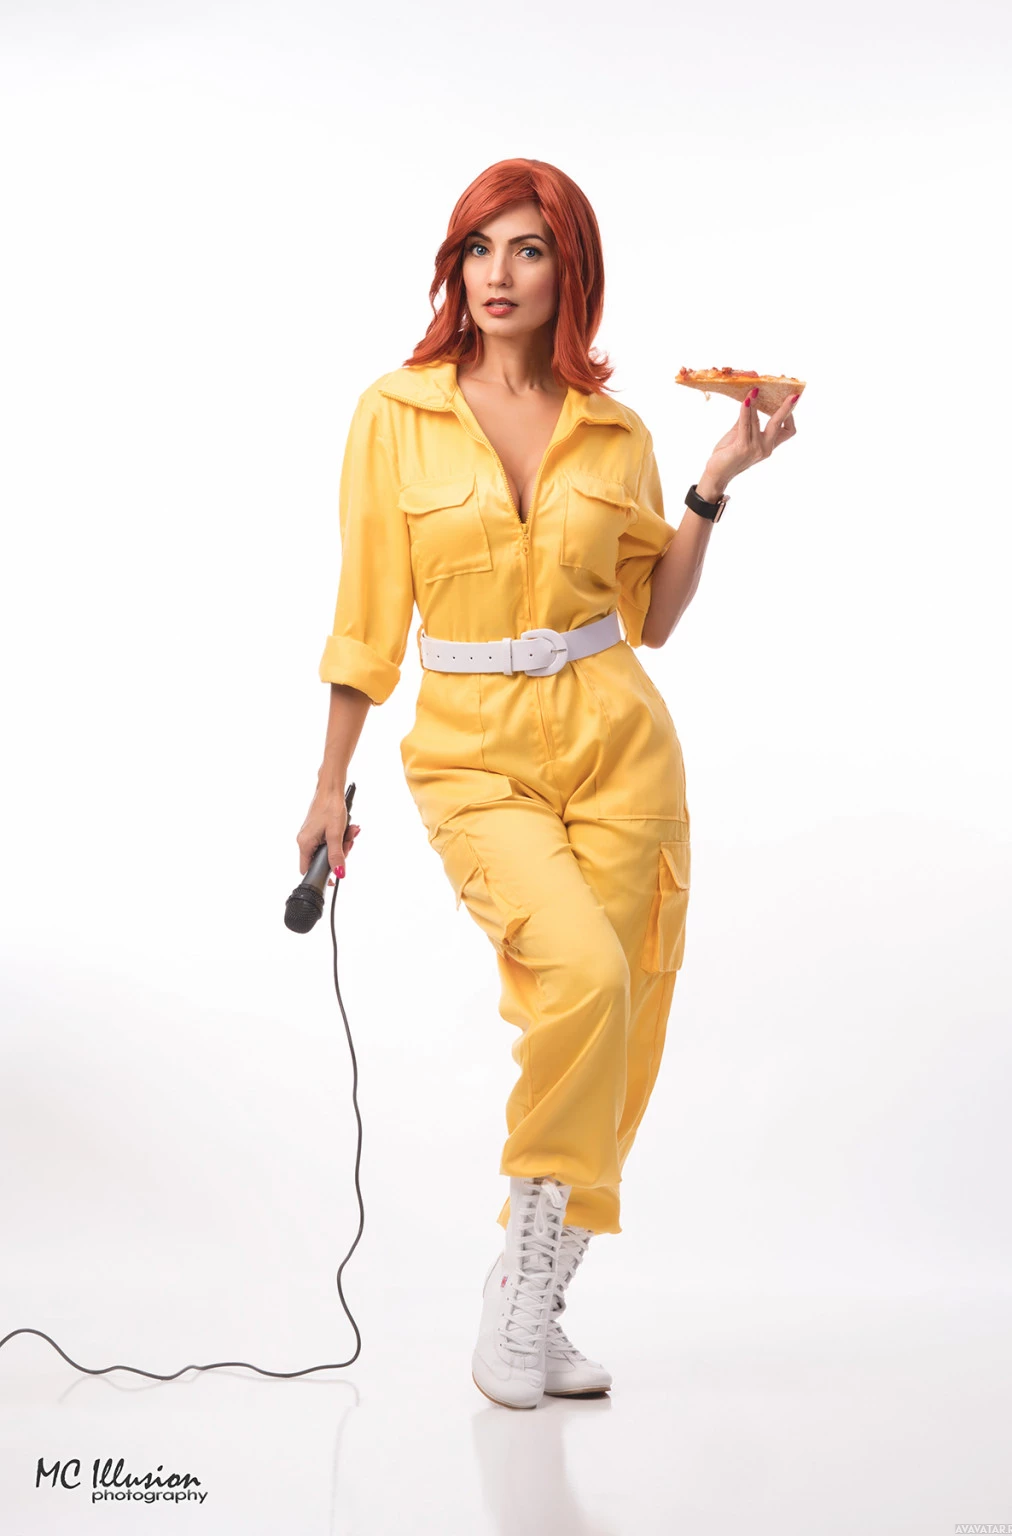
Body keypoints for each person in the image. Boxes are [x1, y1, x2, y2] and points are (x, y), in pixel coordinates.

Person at [296, 158, 799, 1410]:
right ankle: (523, 1286)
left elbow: (652, 617)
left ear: (569, 270)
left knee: (624, 1020)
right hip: (472, 751)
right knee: (582, 975)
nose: (499, 274)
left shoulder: (615, 432)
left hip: (619, 742)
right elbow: (366, 617)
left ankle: (534, 1291)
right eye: (479, 248)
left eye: (527, 249)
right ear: (453, 267)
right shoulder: (395, 413)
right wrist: (328, 783)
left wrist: (715, 481)